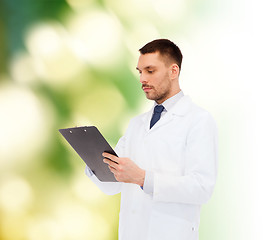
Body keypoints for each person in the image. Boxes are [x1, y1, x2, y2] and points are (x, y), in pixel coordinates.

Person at [85, 39, 218, 240]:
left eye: (150, 71)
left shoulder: (198, 120)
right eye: (140, 72)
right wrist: (92, 160)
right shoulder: (136, 124)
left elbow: (201, 188)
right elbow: (113, 185)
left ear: (173, 71)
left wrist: (142, 178)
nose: (142, 79)